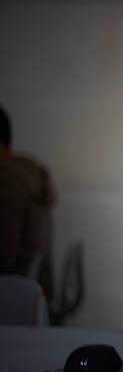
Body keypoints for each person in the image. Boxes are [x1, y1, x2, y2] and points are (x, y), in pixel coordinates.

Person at [0, 104, 56, 300]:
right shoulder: (30, 173)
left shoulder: (7, 180)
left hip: (12, 297)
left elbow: (4, 257)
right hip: (34, 293)